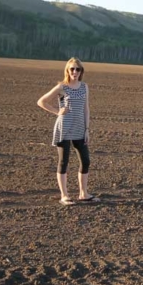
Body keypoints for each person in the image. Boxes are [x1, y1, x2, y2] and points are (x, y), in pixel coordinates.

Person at [36, 58, 97, 204]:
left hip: (80, 127)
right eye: (72, 69)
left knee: (85, 160)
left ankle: (84, 193)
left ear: (81, 71)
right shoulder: (62, 87)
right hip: (64, 127)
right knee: (64, 161)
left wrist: (87, 129)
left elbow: (86, 108)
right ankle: (64, 195)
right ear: (67, 71)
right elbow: (41, 101)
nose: (75, 72)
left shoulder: (84, 87)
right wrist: (57, 111)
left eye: (78, 69)